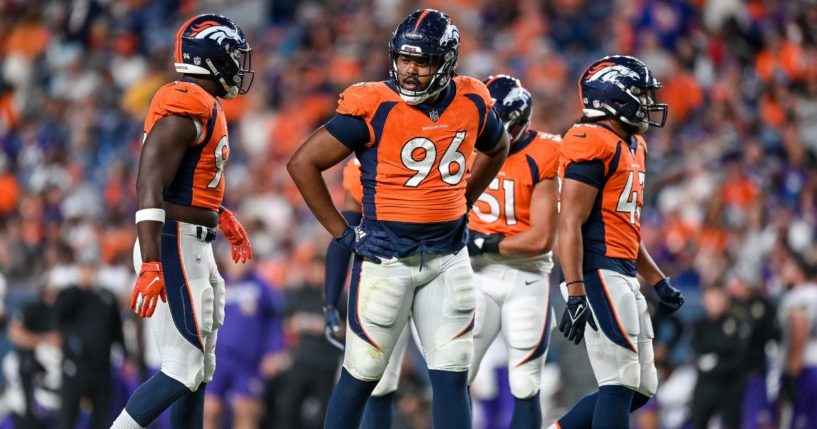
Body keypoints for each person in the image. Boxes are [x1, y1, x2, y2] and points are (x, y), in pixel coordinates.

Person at [287, 9, 509, 429]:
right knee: (360, 375)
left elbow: (498, 146)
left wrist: (464, 200)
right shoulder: (374, 104)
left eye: (421, 61)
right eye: (404, 59)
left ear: (445, 62)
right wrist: (344, 234)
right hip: (387, 261)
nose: (409, 70)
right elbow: (303, 163)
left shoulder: (472, 99)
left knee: (451, 377)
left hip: (446, 259)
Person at [111, 14, 254, 429]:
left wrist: (219, 214)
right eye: (232, 56)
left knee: (199, 369)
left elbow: (182, 184)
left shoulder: (204, 104)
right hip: (172, 243)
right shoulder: (184, 102)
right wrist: (153, 261)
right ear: (211, 58)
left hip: (192, 241)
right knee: (182, 367)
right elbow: (149, 183)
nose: (238, 66)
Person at [550, 55, 685, 429]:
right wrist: (575, 291)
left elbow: (626, 228)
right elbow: (570, 224)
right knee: (620, 379)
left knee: (641, 386)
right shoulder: (590, 141)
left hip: (622, 270)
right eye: (640, 93)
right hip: (597, 271)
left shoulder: (633, 144)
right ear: (615, 96)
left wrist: (657, 279)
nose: (647, 101)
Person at [465, 74, 560, 428]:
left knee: (525, 382)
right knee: (457, 374)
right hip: (477, 276)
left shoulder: (545, 152)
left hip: (526, 276)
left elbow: (540, 239)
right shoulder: (464, 146)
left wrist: (483, 243)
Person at [323, 158, 414, 429]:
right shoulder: (362, 164)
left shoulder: (368, 160)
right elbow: (345, 230)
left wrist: (330, 301)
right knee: (377, 380)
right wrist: (330, 301)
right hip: (392, 276)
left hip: (401, 277)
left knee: (455, 373)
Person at [203, 257, 285, 429]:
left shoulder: (261, 286)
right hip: (217, 358)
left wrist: (274, 351)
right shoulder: (217, 284)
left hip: (249, 361)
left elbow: (274, 322)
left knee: (245, 410)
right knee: (209, 409)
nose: (238, 263)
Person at [778, 251, 817, 428]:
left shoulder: (799, 296)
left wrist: (792, 372)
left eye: (787, 268)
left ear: (799, 271)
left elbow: (800, 333)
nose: (782, 272)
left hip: (807, 367)